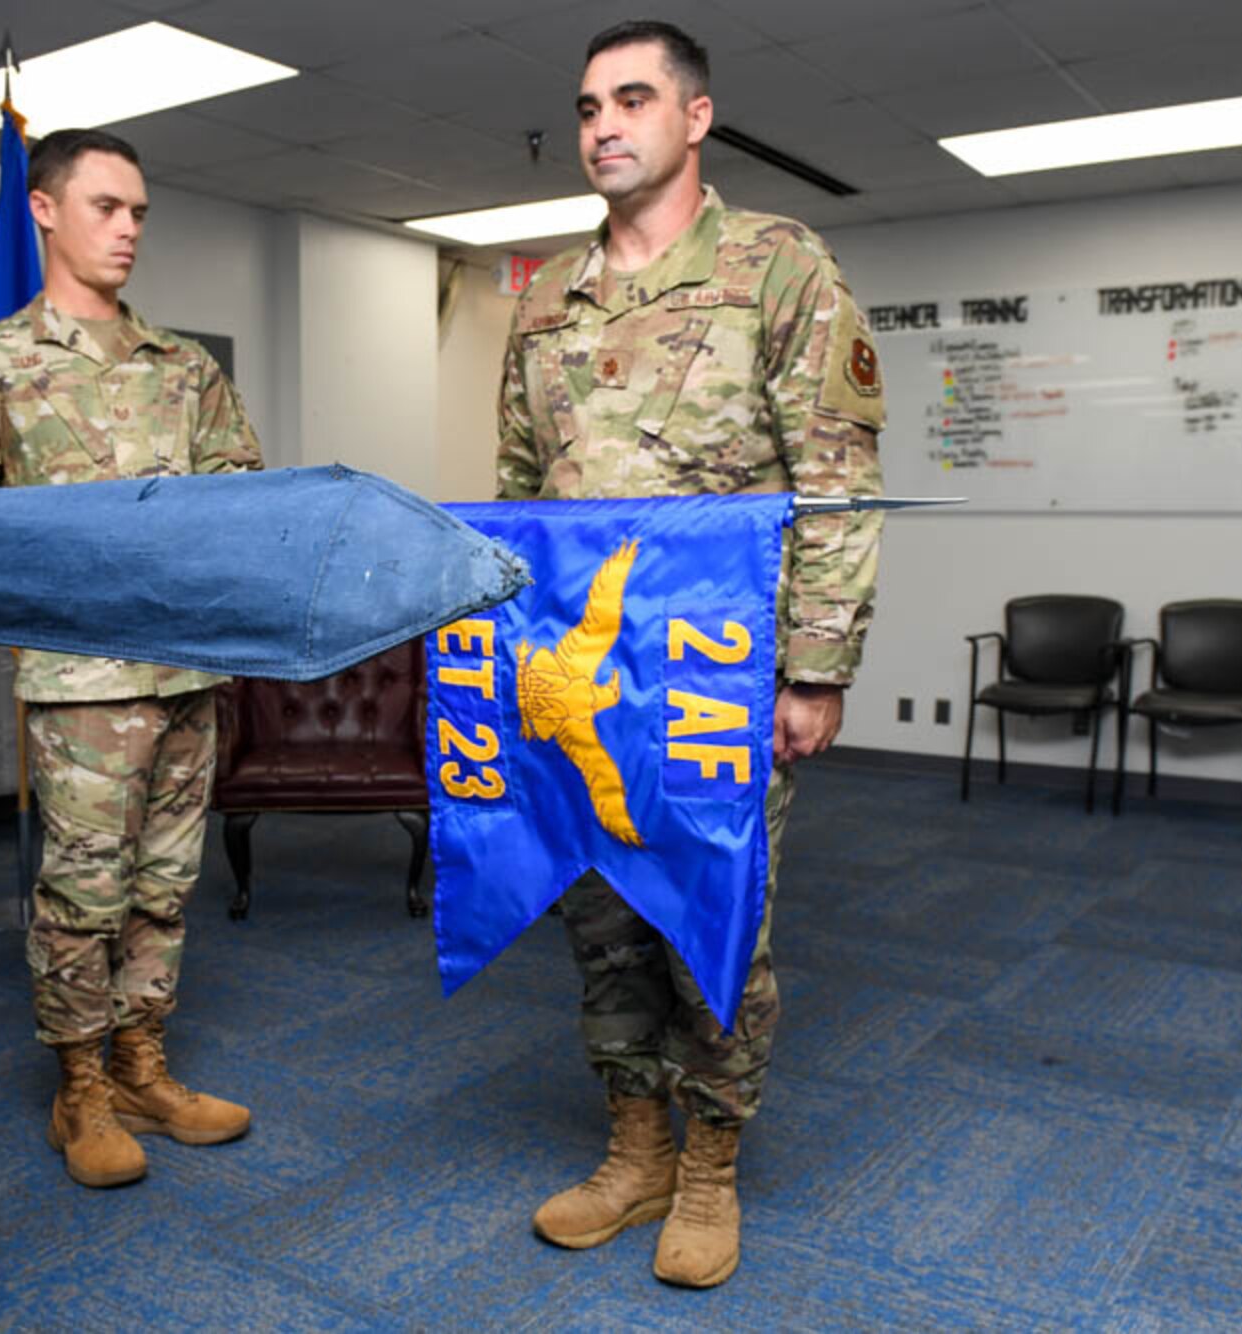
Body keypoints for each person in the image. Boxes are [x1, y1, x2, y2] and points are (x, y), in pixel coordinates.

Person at [496, 20, 886, 1289]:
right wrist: (507, 658)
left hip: (717, 667)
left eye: (630, 99)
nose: (601, 124)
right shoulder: (545, 296)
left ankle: (710, 1162)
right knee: (600, 918)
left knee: (709, 925)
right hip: (579, 677)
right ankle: (634, 1143)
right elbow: (516, 493)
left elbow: (833, 482)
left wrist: (815, 667)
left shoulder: (778, 267)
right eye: (585, 105)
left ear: (695, 117)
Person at [0, 128, 261, 1190]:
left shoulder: (183, 367)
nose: (126, 229)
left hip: (183, 667)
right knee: (81, 894)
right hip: (78, 682)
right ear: (43, 210)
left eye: (138, 213)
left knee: (165, 885)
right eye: (106, 207)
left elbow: (239, 499)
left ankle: (141, 1064)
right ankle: (79, 1087)